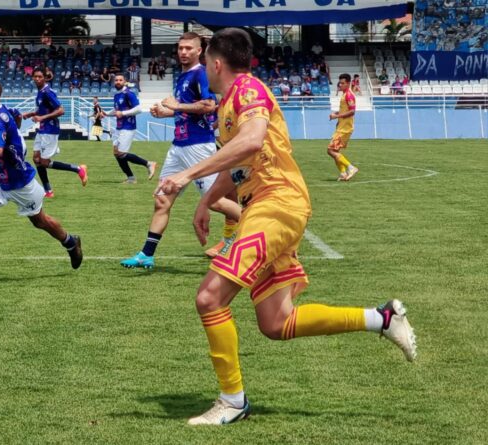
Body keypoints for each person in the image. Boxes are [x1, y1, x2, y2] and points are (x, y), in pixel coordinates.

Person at [154, 28, 416, 426]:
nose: (203, 66)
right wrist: (206, 203)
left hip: (276, 204)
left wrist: (186, 176)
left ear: (217, 63)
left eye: (206, 60)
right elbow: (237, 164)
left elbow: (253, 141)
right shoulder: (228, 105)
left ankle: (232, 401)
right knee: (277, 323)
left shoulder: (247, 89)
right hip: (266, 206)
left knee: (210, 298)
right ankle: (381, 318)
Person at [120, 32, 238, 269]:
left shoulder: (201, 74)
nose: (183, 52)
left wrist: (176, 105)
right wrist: (169, 112)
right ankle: (147, 253)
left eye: (188, 48)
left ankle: (265, 230)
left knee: (215, 202)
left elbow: (209, 105)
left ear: (199, 50)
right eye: (180, 48)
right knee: (161, 200)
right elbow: (189, 109)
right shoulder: (183, 76)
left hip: (198, 147)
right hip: (178, 147)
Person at [0, 81, 83, 271]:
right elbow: (17, 115)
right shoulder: (1, 110)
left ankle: (71, 242)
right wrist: (15, 130)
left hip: (19, 181)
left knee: (40, 221)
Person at [23, 68, 88, 198]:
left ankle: (78, 169)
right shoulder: (40, 92)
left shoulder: (48, 92)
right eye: (35, 76)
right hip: (42, 129)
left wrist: (41, 118)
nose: (37, 79)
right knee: (36, 159)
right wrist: (31, 114)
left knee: (44, 162)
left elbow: (60, 111)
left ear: (45, 78)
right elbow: (42, 110)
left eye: (40, 77)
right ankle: (48, 191)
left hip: (50, 130)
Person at [111, 74, 157, 184]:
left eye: (120, 80)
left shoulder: (128, 94)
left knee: (121, 153)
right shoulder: (117, 95)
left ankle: (148, 163)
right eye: (116, 80)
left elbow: (138, 109)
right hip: (119, 127)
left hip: (128, 126)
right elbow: (116, 110)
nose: (118, 81)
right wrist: (105, 114)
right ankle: (131, 178)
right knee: (117, 153)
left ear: (125, 81)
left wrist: (123, 113)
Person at [328, 73, 359, 181]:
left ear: (348, 83)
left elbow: (352, 111)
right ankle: (342, 173)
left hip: (345, 128)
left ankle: (351, 168)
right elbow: (344, 110)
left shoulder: (349, 95)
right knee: (335, 151)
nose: (340, 85)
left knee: (330, 150)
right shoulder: (344, 94)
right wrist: (336, 115)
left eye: (343, 83)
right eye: (339, 83)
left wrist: (337, 116)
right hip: (341, 127)